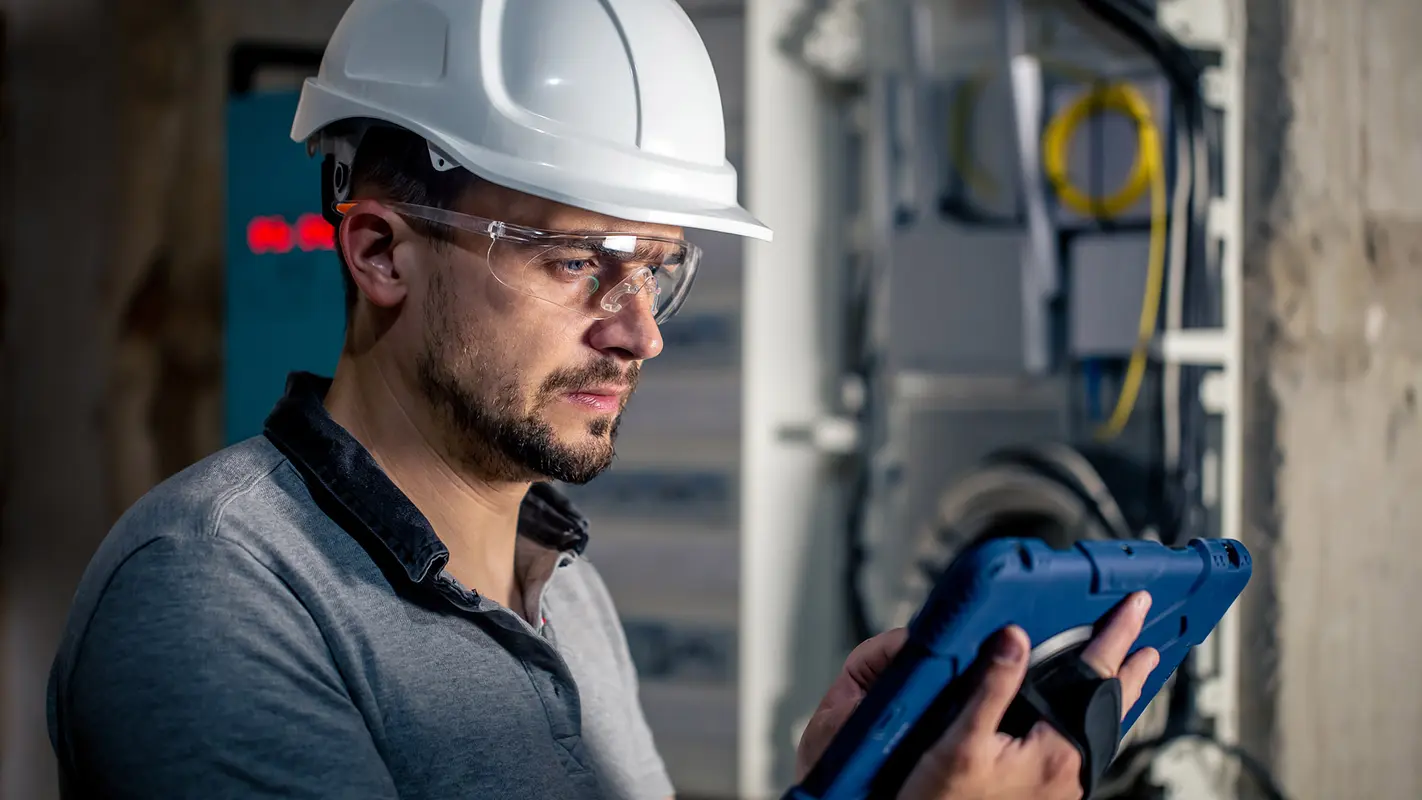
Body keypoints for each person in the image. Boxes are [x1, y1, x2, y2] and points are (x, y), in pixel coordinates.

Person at [46, 1, 1159, 798]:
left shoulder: (563, 590)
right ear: (382, 250)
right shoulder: (215, 595)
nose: (642, 330)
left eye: (658, 268)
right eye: (578, 261)